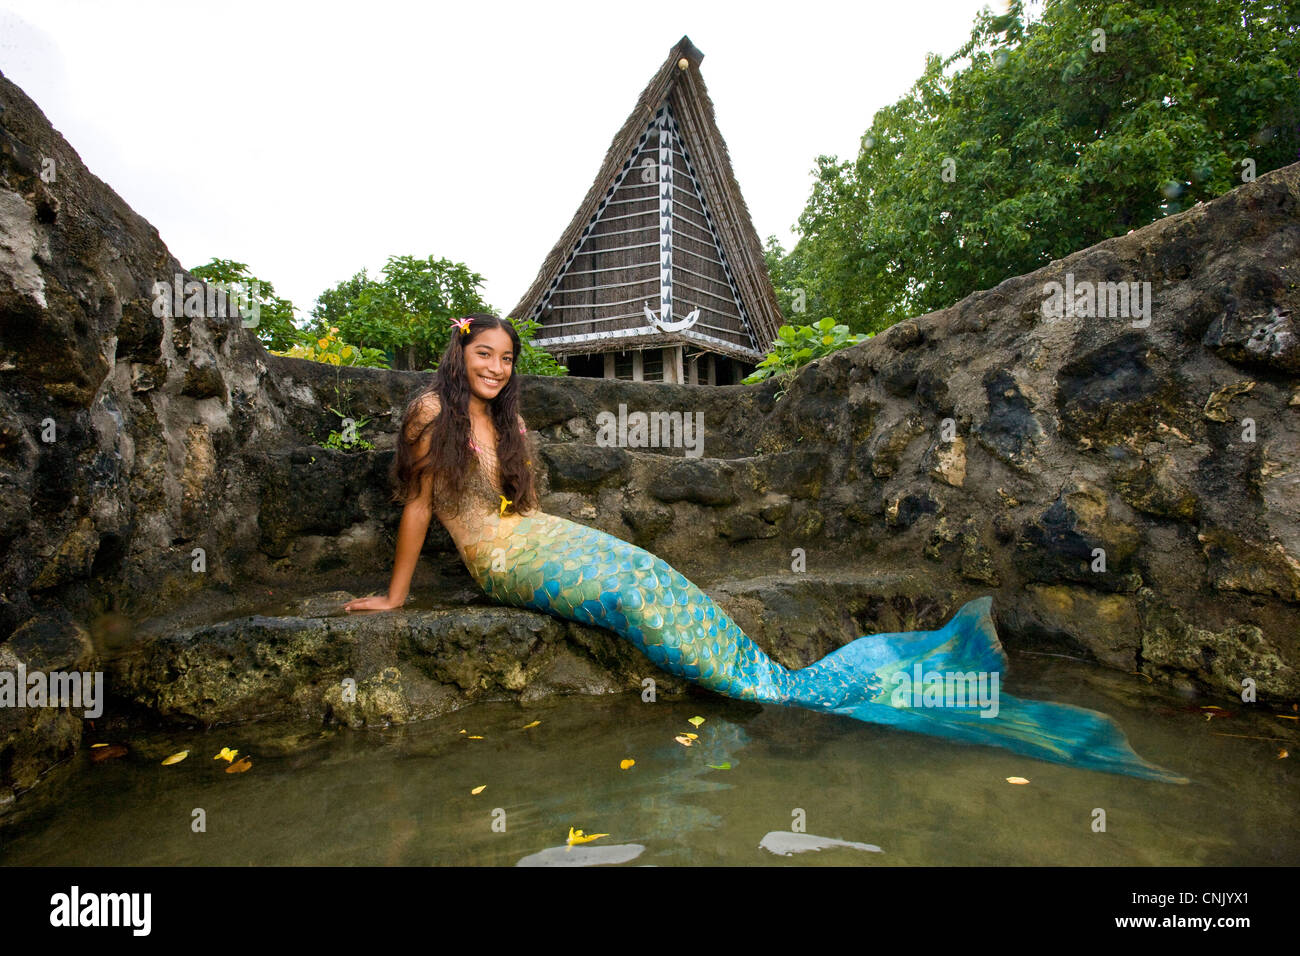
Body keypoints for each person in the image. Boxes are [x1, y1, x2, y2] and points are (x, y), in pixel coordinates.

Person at [345, 313, 1185, 783]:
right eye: (482, 355)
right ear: (461, 356)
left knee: (653, 569)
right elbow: (419, 508)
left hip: (533, 532)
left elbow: (516, 497)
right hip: (500, 558)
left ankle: (772, 680)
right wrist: (396, 597)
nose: (494, 366)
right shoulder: (431, 413)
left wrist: (531, 496)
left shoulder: (510, 418)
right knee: (633, 598)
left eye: (504, 357)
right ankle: (767, 688)